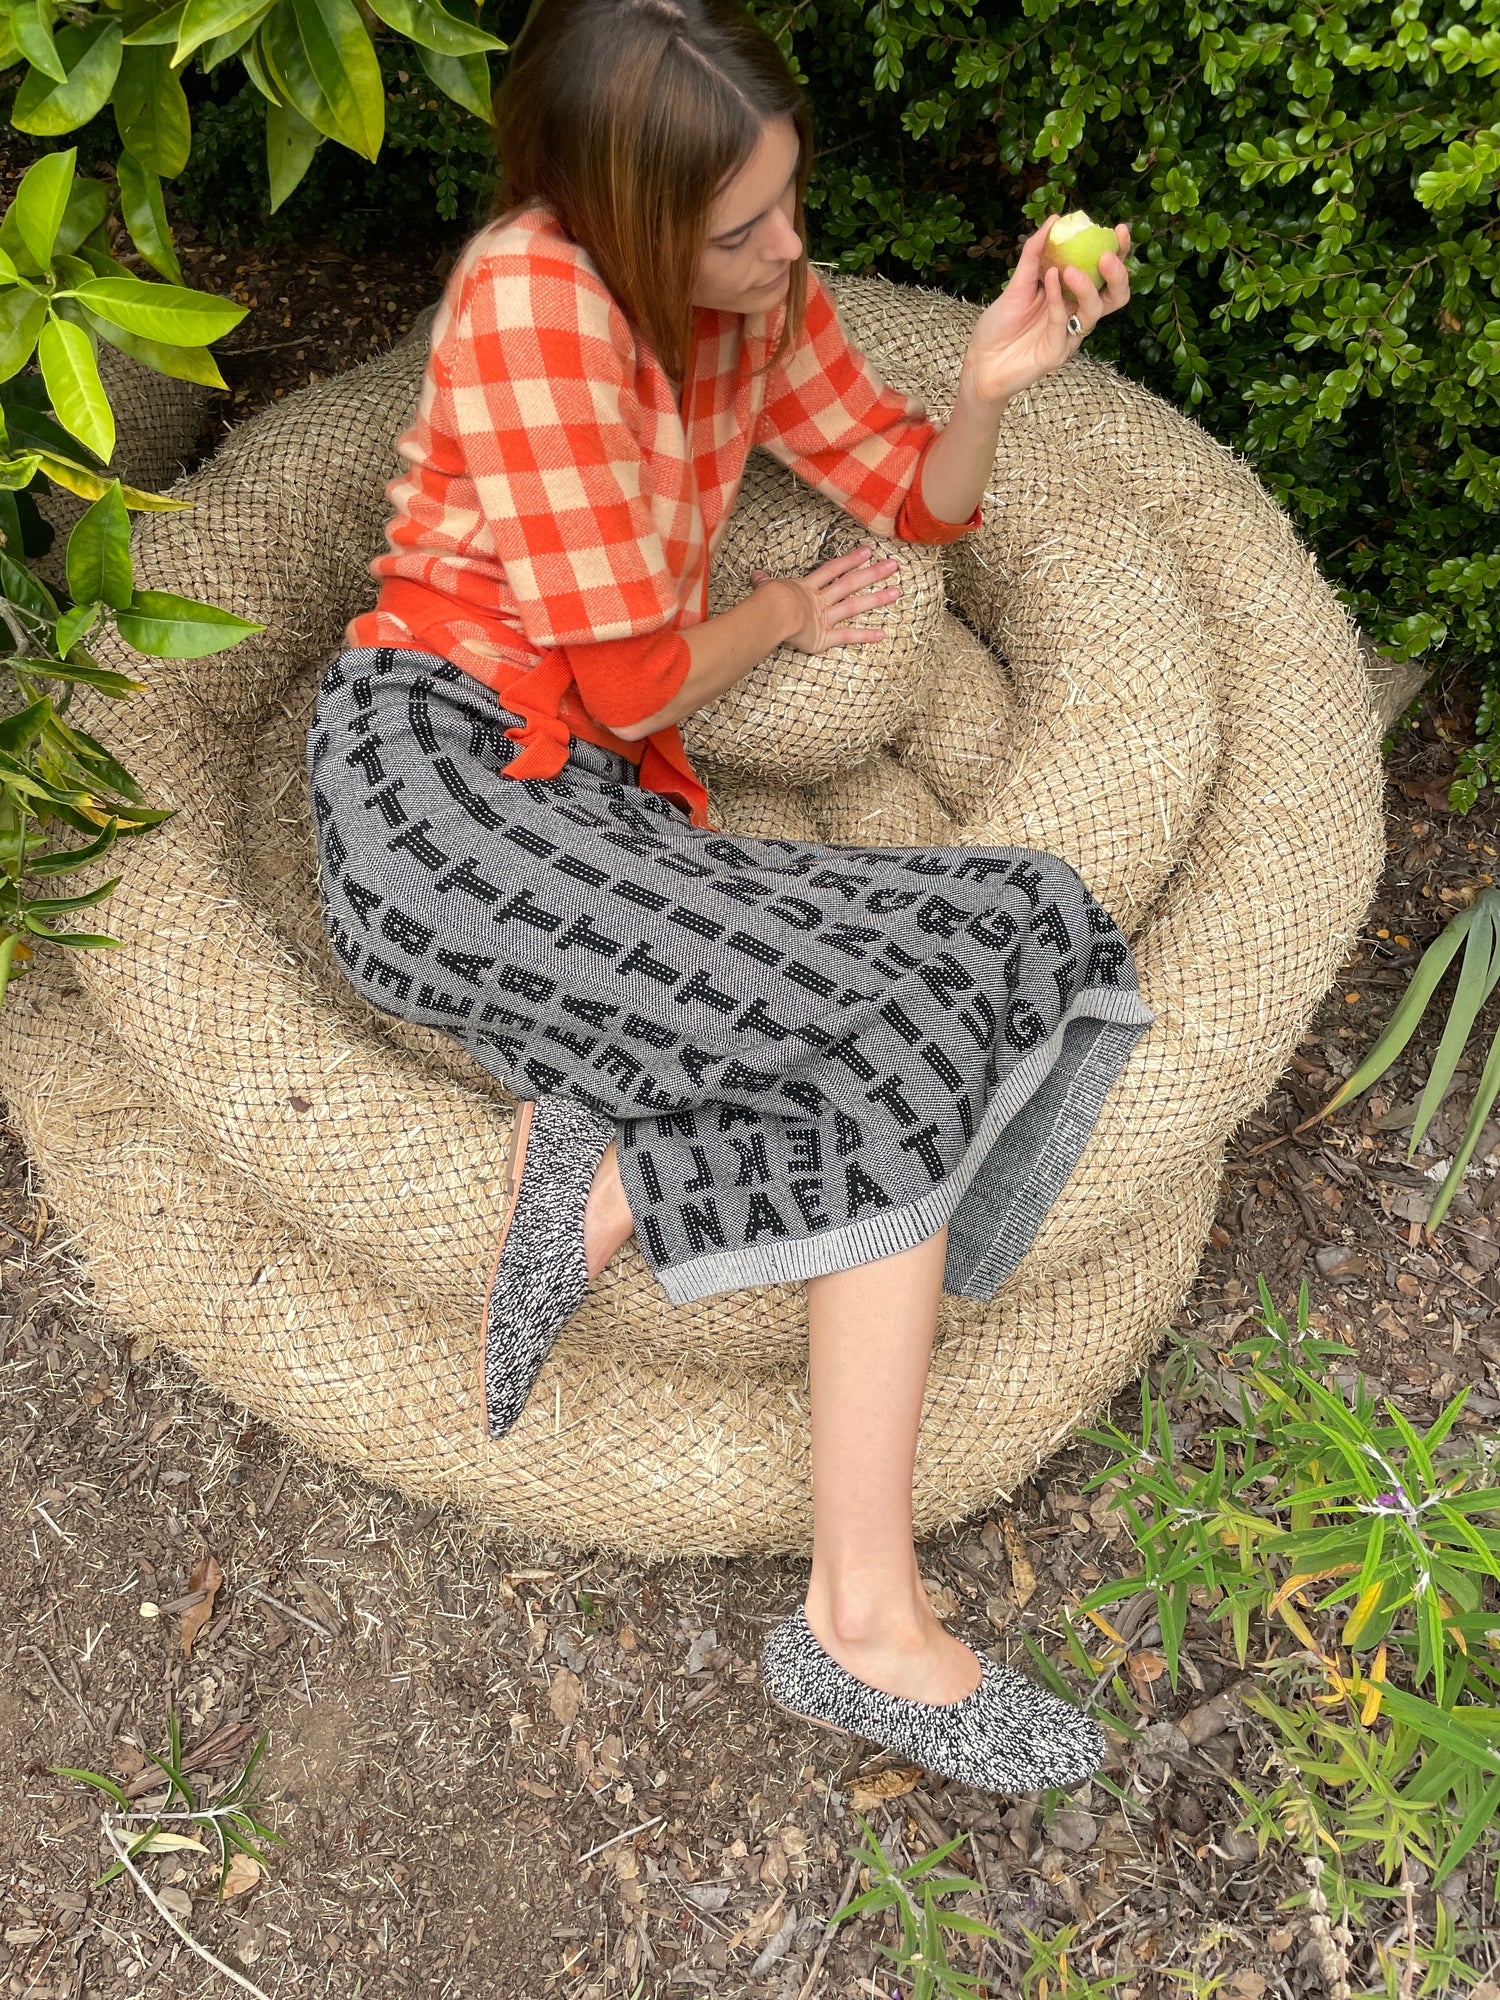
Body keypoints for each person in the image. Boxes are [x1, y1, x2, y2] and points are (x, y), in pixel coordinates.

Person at [308, 0, 1144, 1794]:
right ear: (623, 219)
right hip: (443, 797)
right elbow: (624, 688)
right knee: (895, 1018)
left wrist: (989, 381)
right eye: (741, 228)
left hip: (599, 814)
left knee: (1025, 919)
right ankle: (863, 1620)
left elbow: (912, 501)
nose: (787, 250)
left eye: (789, 202)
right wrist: (775, 612)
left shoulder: (761, 300)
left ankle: (623, 1172)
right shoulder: (534, 300)